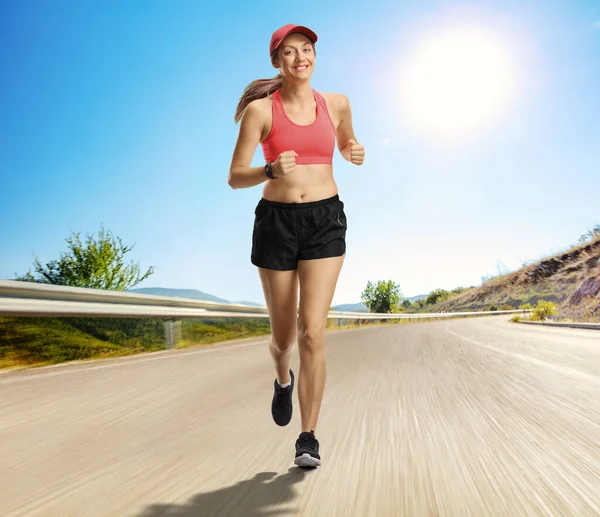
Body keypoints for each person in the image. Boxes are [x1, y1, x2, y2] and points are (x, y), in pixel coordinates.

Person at [228, 24, 365, 468]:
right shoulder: (260, 112)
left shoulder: (337, 103)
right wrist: (269, 170)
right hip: (276, 224)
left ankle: (308, 437)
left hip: (325, 220)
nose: (300, 57)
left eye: (306, 49)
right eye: (289, 52)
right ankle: (281, 377)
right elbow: (234, 176)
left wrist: (352, 149)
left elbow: (345, 140)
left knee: (312, 331)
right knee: (284, 336)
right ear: (276, 61)